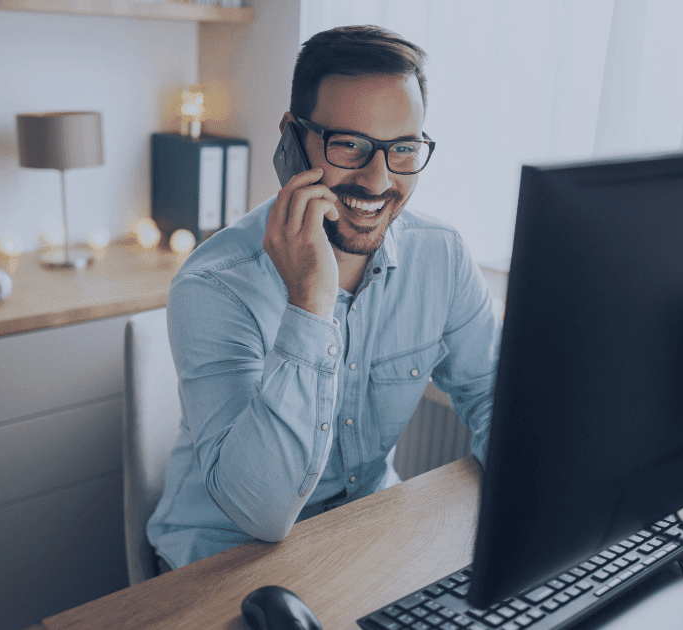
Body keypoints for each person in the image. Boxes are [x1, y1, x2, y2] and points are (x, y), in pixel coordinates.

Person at [147, 25, 502, 572]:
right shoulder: (215, 284)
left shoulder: (444, 257)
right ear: (291, 138)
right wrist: (309, 303)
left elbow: (494, 394)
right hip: (222, 558)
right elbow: (260, 515)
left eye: (403, 148)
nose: (378, 180)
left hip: (364, 536)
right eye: (350, 145)